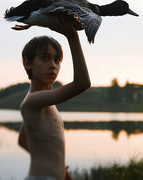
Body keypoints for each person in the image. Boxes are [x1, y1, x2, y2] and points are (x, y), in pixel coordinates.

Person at [18, 16, 91, 180]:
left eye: (57, 59)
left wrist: (60, 168)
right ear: (27, 62)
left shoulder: (45, 104)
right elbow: (82, 83)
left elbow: (23, 140)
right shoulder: (33, 101)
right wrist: (72, 36)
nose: (53, 65)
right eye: (45, 58)